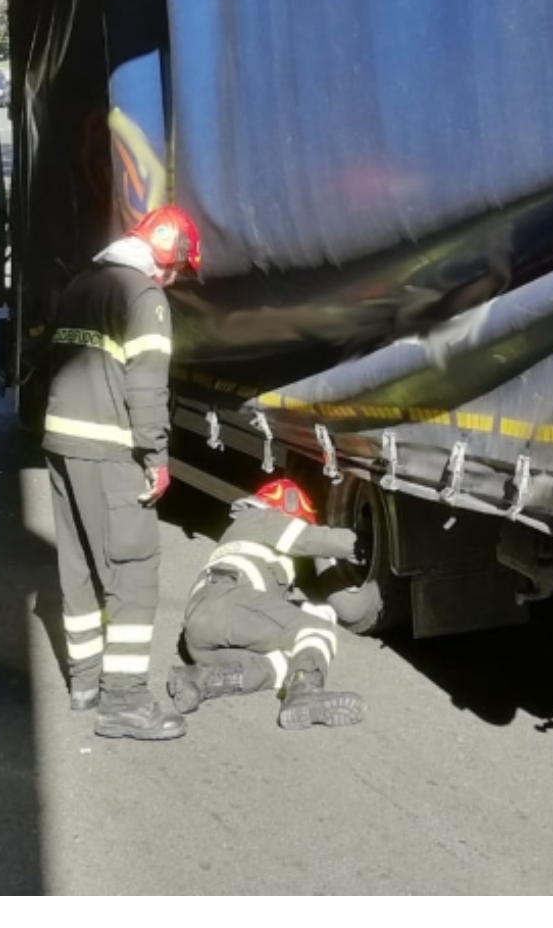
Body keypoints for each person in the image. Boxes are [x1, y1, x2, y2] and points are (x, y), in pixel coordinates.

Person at [39, 203, 199, 741]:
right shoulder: (143, 296)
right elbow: (147, 384)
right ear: (167, 253)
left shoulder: (84, 282)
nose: (173, 279)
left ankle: (85, 682)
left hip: (62, 440)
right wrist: (156, 457)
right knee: (133, 573)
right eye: (178, 268)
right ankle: (125, 701)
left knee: (80, 564)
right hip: (111, 450)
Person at [164, 478, 378, 730]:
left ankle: (199, 680)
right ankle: (305, 692)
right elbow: (314, 539)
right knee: (317, 629)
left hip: (199, 636)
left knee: (282, 663)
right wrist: (366, 543)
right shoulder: (262, 518)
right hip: (231, 605)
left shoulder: (238, 532)